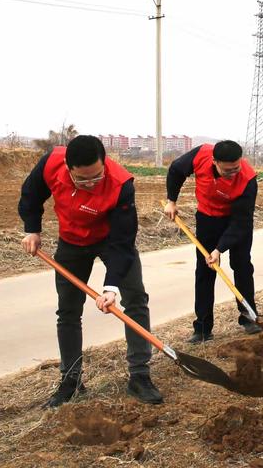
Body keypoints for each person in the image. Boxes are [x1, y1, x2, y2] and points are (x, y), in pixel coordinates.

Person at [18, 135, 163, 408]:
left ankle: (140, 375)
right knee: (69, 310)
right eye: (82, 179)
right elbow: (31, 194)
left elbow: (123, 241)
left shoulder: (121, 184)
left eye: (97, 176)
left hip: (111, 241)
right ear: (68, 167)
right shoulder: (50, 164)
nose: (91, 183)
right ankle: (71, 381)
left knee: (135, 300)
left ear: (104, 163)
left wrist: (111, 288)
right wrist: (32, 229)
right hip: (72, 241)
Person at [164, 140, 260, 344]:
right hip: (207, 218)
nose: (233, 172)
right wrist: (172, 200)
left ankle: (249, 317)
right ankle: (202, 328)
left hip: (236, 220)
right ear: (214, 161)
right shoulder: (201, 155)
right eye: (227, 170)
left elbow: (241, 222)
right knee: (205, 271)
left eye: (236, 167)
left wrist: (219, 249)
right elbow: (175, 170)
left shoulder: (248, 179)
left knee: (242, 266)